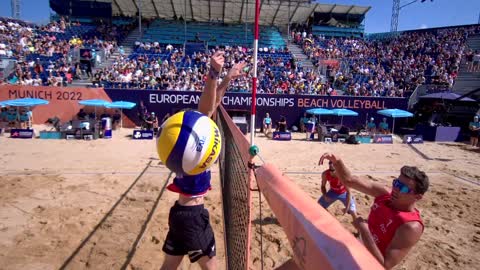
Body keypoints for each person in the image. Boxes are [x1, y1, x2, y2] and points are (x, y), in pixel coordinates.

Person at [160, 51, 246, 270]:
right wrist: (214, 72)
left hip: (180, 214)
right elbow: (207, 108)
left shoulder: (183, 155)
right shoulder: (194, 153)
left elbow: (212, 105)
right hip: (193, 218)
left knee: (168, 267)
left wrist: (227, 78)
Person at [319, 152, 429, 269]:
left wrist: (364, 231)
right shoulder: (385, 194)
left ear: (417, 197)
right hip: (359, 246)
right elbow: (350, 180)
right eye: (396, 183)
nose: (396, 189)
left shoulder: (410, 226)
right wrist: (337, 161)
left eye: (403, 188)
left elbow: (384, 265)